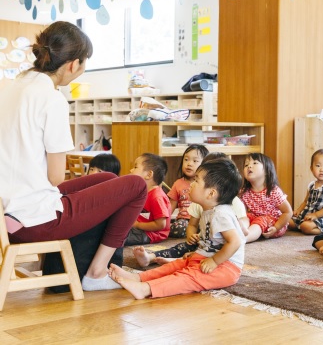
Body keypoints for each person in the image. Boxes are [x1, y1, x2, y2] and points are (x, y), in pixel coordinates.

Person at [0, 21, 147, 291]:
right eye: (83, 65)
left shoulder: (10, 88)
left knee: (105, 177)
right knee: (136, 186)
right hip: (35, 220)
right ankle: (96, 271)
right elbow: (55, 177)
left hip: (8, 210)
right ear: (72, 64)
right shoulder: (50, 98)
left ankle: (91, 267)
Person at [109, 158, 246, 299]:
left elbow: (235, 242)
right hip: (209, 259)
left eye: (197, 181)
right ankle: (138, 278)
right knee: (175, 265)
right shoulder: (207, 210)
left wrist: (214, 261)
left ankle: (146, 289)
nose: (191, 184)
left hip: (226, 267)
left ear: (211, 194)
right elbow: (213, 242)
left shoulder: (221, 214)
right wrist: (199, 253)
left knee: (187, 277)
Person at [133, 153, 250, 267]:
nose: (192, 184)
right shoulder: (199, 202)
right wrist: (191, 236)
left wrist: (214, 260)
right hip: (203, 242)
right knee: (183, 247)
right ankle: (151, 257)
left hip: (219, 250)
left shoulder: (228, 206)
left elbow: (240, 233)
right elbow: (192, 224)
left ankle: (177, 261)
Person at [240, 153, 293, 243]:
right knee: (245, 217)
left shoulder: (273, 190)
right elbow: (242, 212)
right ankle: (237, 233)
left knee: (260, 220)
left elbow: (288, 212)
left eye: (255, 163)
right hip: (255, 218)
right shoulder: (244, 191)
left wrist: (276, 227)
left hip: (274, 222)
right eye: (246, 165)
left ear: (266, 170)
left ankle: (242, 240)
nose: (249, 166)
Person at [125, 153, 171, 245]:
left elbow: (161, 224)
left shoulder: (157, 197)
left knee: (119, 238)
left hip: (151, 234)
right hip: (139, 228)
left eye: (135, 167)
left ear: (149, 174)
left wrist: (138, 225)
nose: (131, 170)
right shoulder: (142, 192)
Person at [289, 149, 323, 235]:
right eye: (318, 166)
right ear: (311, 168)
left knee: (306, 227)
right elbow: (306, 201)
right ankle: (302, 225)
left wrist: (316, 215)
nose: (322, 169)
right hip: (308, 214)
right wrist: (298, 210)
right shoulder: (311, 185)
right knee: (288, 221)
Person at [168, 144, 209, 238]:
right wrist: (163, 221)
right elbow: (171, 206)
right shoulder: (178, 183)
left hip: (201, 218)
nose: (189, 164)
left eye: (195, 161)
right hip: (184, 220)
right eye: (186, 160)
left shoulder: (206, 184)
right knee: (176, 229)